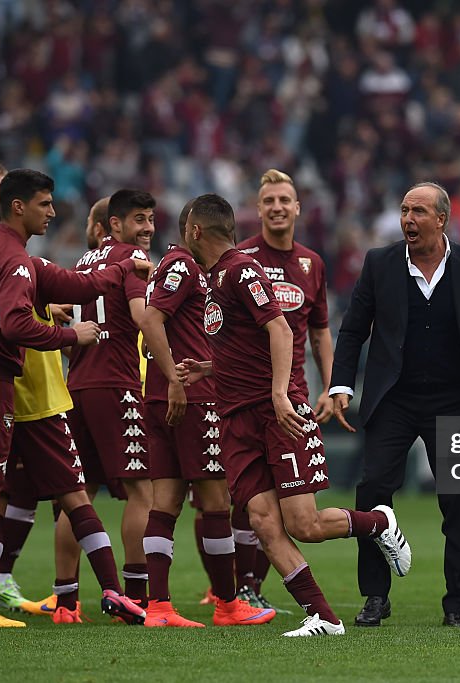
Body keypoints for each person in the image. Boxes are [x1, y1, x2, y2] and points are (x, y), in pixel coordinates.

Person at [0, 169, 142, 628]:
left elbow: (70, 285)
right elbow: (16, 325)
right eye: (45, 203)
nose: (53, 212)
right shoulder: (16, 260)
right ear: (18, 206)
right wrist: (70, 335)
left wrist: (120, 269)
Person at [179, 193, 410, 638]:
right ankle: (323, 616)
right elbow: (245, 343)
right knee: (263, 523)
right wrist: (210, 367)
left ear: (195, 231)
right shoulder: (214, 277)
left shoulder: (240, 269)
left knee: (303, 525)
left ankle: (380, 522)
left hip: (274, 413)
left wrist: (281, 394)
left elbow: (281, 328)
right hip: (235, 417)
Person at [331, 181, 460, 629]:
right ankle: (375, 597)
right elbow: (353, 330)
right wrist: (342, 383)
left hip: (457, 400)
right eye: (404, 211)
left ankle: (458, 607)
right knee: (373, 492)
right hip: (394, 398)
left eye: (418, 211)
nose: (408, 220)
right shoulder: (379, 263)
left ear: (442, 219)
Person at [137, 199, 274, 628]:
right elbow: (151, 321)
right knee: (215, 502)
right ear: (196, 231)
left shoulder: (176, 266)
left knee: (166, 503)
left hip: (163, 397)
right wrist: (177, 380)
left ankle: (158, 606)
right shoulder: (183, 267)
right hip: (189, 399)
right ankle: (229, 606)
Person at [233, 168, 332, 609]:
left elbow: (320, 332)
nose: (276, 207)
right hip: (246, 399)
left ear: (297, 208)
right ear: (258, 209)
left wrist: (332, 386)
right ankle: (246, 586)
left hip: (291, 401)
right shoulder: (240, 260)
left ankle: (253, 587)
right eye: (268, 200)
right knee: (251, 505)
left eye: (284, 200)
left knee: (296, 517)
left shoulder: (312, 264)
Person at [61, 189, 156, 617]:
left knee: (79, 495)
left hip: (77, 385)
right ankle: (136, 595)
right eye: (139, 220)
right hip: (116, 385)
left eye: (151, 219)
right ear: (114, 224)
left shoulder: (83, 262)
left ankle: (65, 601)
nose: (148, 228)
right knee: (142, 491)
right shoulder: (132, 262)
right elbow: (142, 318)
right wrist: (170, 369)